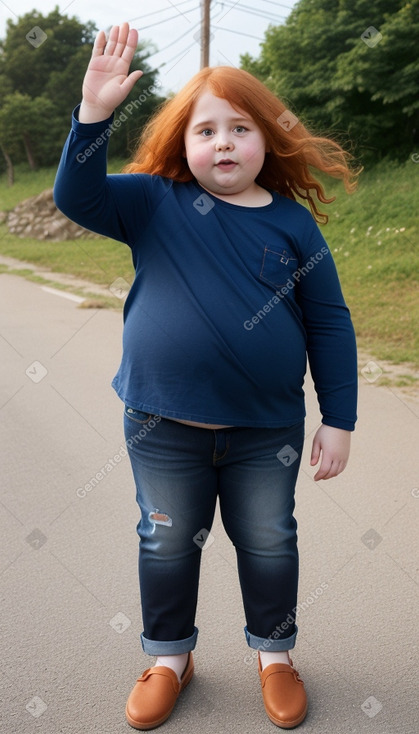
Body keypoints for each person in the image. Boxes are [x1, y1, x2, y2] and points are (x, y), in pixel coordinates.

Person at [54, 22, 358, 731]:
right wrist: (94, 113)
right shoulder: (152, 201)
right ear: (182, 144)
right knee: (164, 541)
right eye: (205, 130)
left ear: (267, 141)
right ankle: (168, 658)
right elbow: (77, 197)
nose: (222, 142)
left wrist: (337, 417)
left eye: (240, 128)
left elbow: (330, 322)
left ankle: (274, 656)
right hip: (162, 425)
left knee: (269, 540)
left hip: (265, 431)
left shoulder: (290, 225)